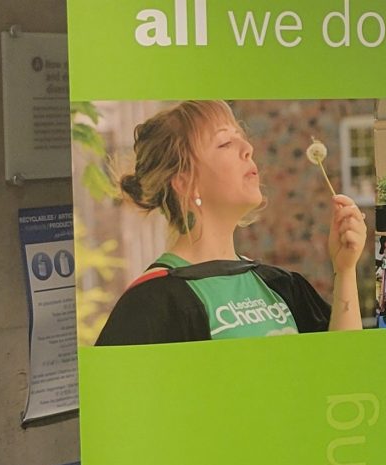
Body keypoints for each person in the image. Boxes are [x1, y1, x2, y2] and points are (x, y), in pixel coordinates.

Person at [96, 101, 365, 345]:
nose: (248, 149)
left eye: (243, 139)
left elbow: (345, 374)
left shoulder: (282, 286)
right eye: (225, 143)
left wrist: (345, 270)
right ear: (184, 182)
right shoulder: (149, 306)